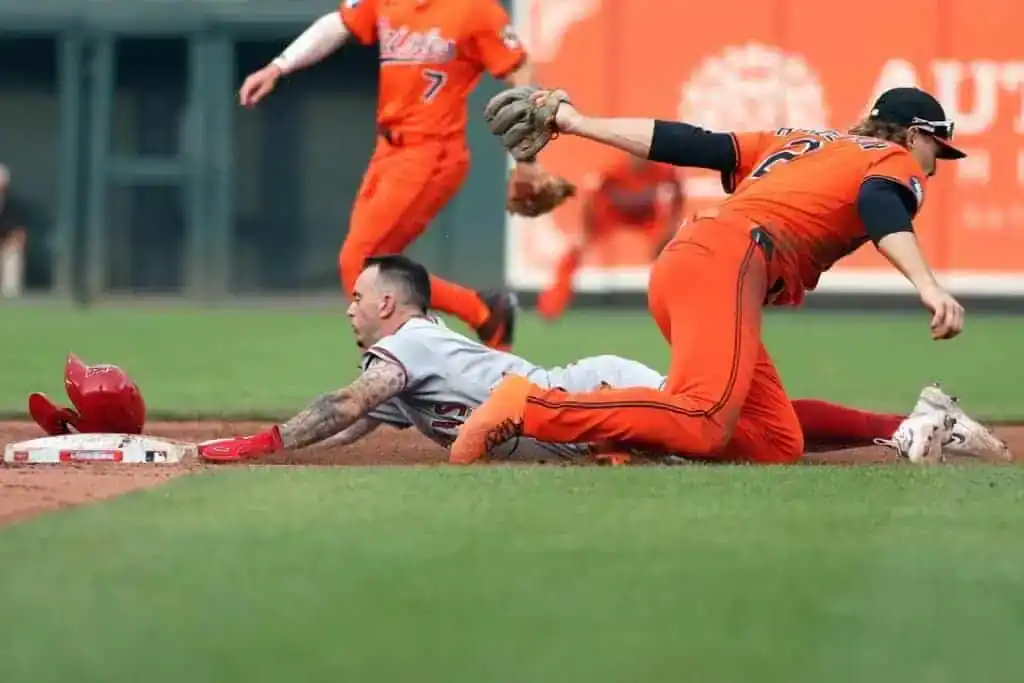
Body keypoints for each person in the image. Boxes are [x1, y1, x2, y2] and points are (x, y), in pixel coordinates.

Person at [451, 86, 970, 465]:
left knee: (774, 440)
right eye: (937, 151)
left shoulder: (801, 141)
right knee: (703, 420)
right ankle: (532, 405)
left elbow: (690, 143)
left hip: (698, 261)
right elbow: (880, 204)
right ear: (915, 134)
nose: (934, 166)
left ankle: (624, 434)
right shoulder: (893, 159)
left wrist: (575, 121)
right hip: (729, 259)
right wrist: (927, 285)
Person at [195, 255, 1007, 465]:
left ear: (390, 304)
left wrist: (260, 443)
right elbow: (351, 423)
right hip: (574, 416)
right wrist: (284, 446)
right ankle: (908, 424)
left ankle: (910, 423)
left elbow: (344, 403)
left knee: (740, 435)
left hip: (592, 396)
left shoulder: (406, 343)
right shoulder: (404, 353)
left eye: (358, 295)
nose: (348, 305)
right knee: (743, 436)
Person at [237, 0, 542, 350]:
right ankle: (482, 313)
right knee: (376, 267)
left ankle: (412, 362)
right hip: (388, 150)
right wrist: (279, 66)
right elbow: (338, 24)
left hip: (433, 151)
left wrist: (527, 156)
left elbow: (522, 72)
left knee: (359, 264)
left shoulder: (474, 8)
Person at [537, 155, 685, 320]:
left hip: (646, 216)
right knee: (574, 253)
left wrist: (671, 227)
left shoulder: (662, 170)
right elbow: (592, 198)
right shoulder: (614, 172)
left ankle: (677, 305)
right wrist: (586, 231)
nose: (639, 159)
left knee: (672, 252)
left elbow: (678, 192)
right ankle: (551, 305)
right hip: (614, 214)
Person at [0, 164, 28, 299]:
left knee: (12, 253)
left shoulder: (14, 205)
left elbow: (19, 234)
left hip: (6, 245)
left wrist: (9, 243)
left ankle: (10, 293)